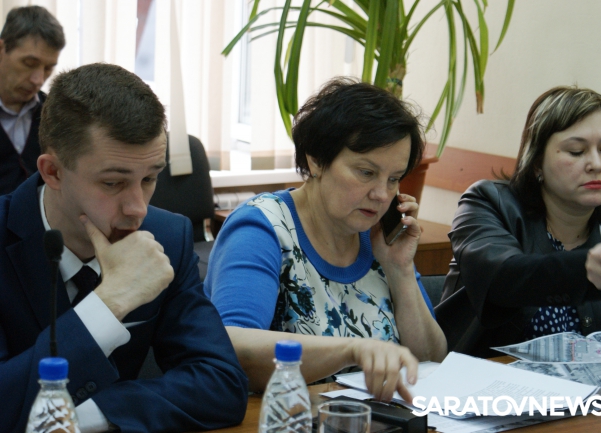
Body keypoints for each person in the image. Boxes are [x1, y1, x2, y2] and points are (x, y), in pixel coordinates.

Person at [0, 63, 248, 433]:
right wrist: (108, 304)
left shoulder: (165, 236)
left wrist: (88, 415)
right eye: (113, 183)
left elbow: (222, 385)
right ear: (53, 172)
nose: (138, 208)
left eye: (149, 178)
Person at [204, 78, 447, 403]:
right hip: (282, 419)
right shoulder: (262, 227)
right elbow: (232, 347)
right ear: (316, 159)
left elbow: (431, 361)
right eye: (366, 172)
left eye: (393, 179)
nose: (381, 194)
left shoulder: (380, 239)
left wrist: (400, 270)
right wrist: (351, 350)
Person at [435, 86, 601, 358]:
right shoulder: (489, 203)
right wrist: (582, 270)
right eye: (576, 151)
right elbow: (503, 280)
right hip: (487, 376)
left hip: (589, 385)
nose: (596, 164)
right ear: (536, 162)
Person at [0, 6, 64, 196]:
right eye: (29, 63)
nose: (38, 79)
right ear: (1, 50)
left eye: (48, 68)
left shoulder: (56, 113)